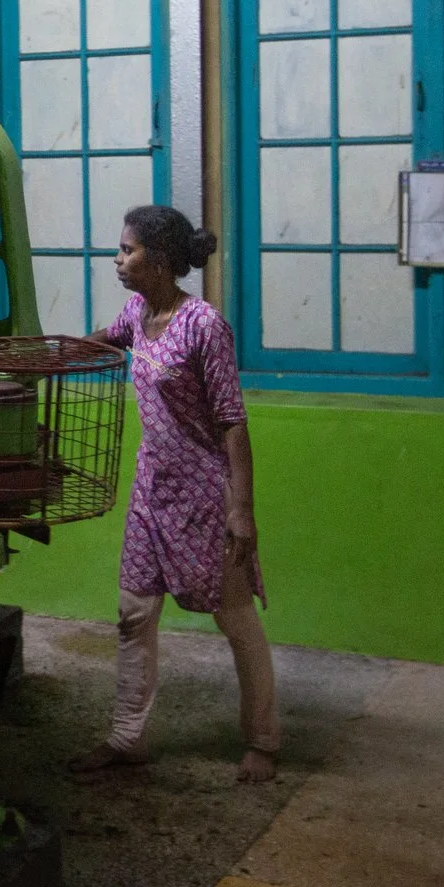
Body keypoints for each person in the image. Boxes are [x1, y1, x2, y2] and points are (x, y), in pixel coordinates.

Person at [69, 204, 281, 784]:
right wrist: (46, 354)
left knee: (234, 619)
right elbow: (102, 341)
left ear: (159, 261)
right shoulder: (138, 312)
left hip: (205, 498)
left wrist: (242, 511)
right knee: (134, 613)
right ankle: (126, 737)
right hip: (151, 491)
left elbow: (232, 422)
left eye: (127, 250)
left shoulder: (204, 325)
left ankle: (263, 739)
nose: (118, 260)